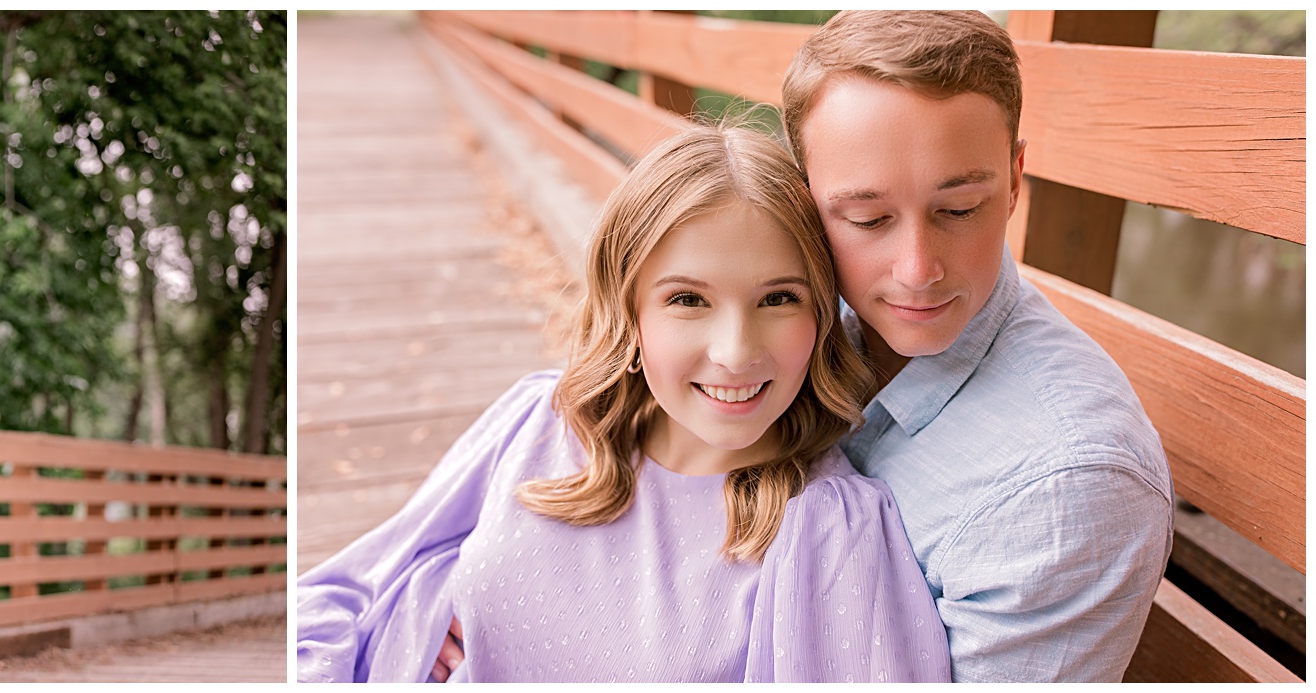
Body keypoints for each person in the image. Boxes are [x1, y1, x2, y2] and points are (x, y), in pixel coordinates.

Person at [429, 11, 1173, 683]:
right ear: (806, 195)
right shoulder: (800, 309)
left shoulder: (1068, 486)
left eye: (959, 208)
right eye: (866, 216)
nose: (917, 269)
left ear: (1014, 180)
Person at [296, 122, 950, 683]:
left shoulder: (829, 531)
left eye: (778, 298)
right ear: (630, 316)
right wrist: (430, 601)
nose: (733, 350)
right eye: (688, 299)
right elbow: (350, 589)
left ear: (820, 315)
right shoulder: (544, 420)